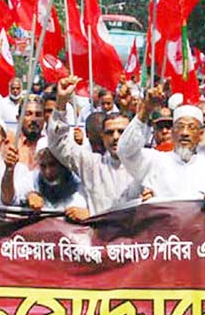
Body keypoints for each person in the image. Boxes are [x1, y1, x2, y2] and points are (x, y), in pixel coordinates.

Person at [47, 76, 143, 215]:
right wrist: (62, 101)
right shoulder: (91, 165)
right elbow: (57, 143)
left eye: (121, 132)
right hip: (101, 235)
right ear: (103, 137)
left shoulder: (145, 164)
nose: (115, 137)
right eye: (110, 133)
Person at [118, 92, 205, 199]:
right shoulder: (155, 161)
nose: (185, 133)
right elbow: (126, 152)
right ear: (173, 132)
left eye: (191, 127)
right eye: (180, 126)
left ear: (200, 134)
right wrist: (145, 111)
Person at [16, 147, 90, 221]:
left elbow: (99, 208)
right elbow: (11, 198)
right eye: (43, 166)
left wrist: (89, 215)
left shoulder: (81, 184)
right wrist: (28, 196)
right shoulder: (32, 179)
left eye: (52, 165)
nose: (48, 172)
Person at [16, 95, 47, 171]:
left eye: (38, 115)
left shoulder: (50, 145)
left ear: (44, 119)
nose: (33, 119)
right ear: (18, 118)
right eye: (28, 114)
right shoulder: (11, 145)